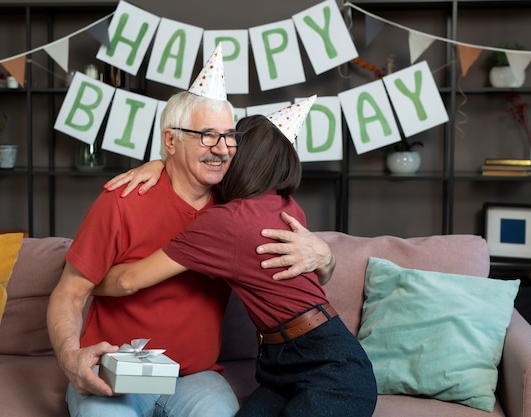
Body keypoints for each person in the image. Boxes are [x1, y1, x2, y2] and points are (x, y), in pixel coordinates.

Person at [47, 45, 335, 417]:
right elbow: (68, 294)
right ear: (170, 140)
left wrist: (326, 255)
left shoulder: (238, 210)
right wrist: (71, 359)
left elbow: (304, 278)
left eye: (230, 136)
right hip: (118, 371)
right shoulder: (122, 201)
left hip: (196, 378)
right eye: (207, 136)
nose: (223, 148)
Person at [94, 98, 377, 417]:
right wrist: (159, 165)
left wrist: (83, 283)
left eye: (230, 144)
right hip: (282, 368)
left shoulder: (225, 223)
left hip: (331, 370)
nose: (221, 151)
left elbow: (128, 280)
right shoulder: (286, 205)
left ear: (241, 159)